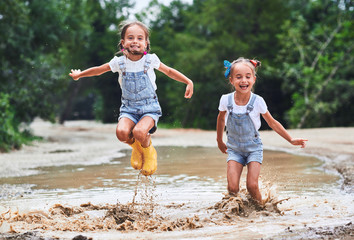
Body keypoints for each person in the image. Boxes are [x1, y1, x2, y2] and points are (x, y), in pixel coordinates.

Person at [69, 21, 193, 176]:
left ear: (146, 43)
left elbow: (169, 71)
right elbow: (98, 70)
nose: (135, 41)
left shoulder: (151, 60)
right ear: (123, 43)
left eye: (140, 38)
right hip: (128, 108)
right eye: (130, 38)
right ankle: (136, 148)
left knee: (140, 131)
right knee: (121, 132)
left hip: (149, 107)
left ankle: (149, 153)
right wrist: (80, 74)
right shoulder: (119, 62)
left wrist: (188, 81)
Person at [216, 57, 307, 204]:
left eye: (247, 76)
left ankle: (262, 209)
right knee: (232, 188)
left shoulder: (258, 101)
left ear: (254, 79)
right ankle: (236, 215)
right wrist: (219, 140)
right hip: (234, 149)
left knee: (251, 186)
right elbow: (221, 120)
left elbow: (272, 123)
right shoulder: (225, 100)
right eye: (238, 77)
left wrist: (291, 139)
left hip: (254, 149)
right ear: (231, 80)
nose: (243, 80)